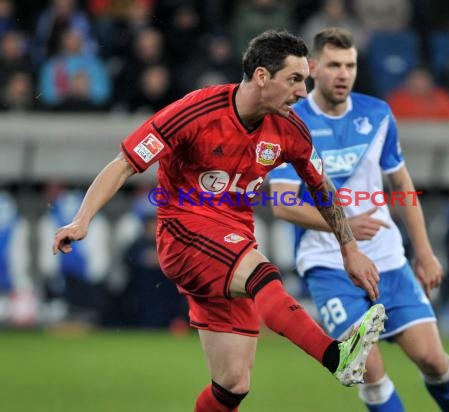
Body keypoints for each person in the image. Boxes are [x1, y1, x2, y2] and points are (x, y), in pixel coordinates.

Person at [52, 30, 386, 412]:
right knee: (264, 277)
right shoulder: (197, 111)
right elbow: (125, 162)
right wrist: (81, 220)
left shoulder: (290, 129)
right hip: (184, 233)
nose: (301, 91)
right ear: (262, 76)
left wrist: (349, 247)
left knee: (233, 384)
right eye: (294, 79)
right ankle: (336, 357)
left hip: (233, 243)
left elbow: (320, 186)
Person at [269, 28, 449, 412]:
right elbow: (282, 205)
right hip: (328, 264)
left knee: (433, 360)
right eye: (333, 65)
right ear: (312, 68)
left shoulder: (377, 114)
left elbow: (402, 184)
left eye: (350, 65)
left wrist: (423, 252)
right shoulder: (291, 122)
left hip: (388, 260)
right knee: (369, 371)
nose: (343, 74)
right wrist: (345, 228)